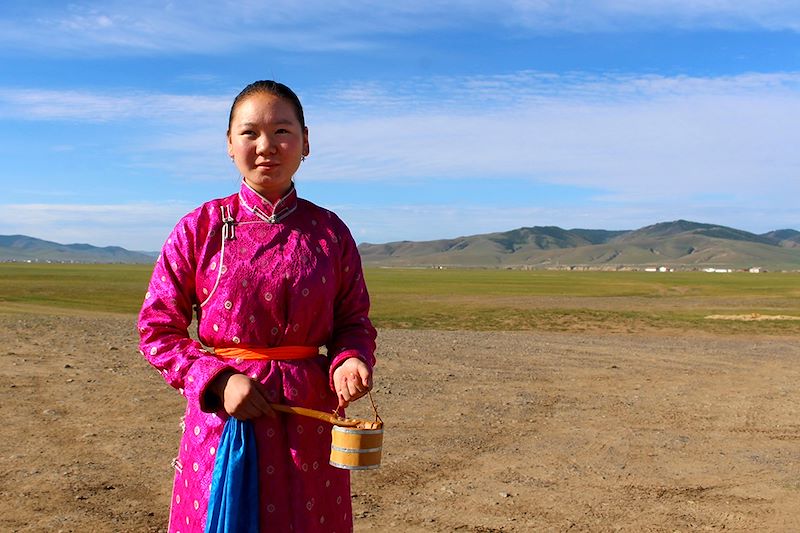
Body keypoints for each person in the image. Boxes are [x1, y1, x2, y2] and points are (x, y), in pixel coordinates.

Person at [137, 80, 377, 532]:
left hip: (308, 427)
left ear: (306, 142)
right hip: (224, 421)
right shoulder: (199, 228)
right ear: (229, 145)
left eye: (282, 131)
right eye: (249, 133)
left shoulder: (330, 233)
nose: (267, 146)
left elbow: (352, 321)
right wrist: (218, 380)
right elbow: (157, 328)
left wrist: (349, 359)